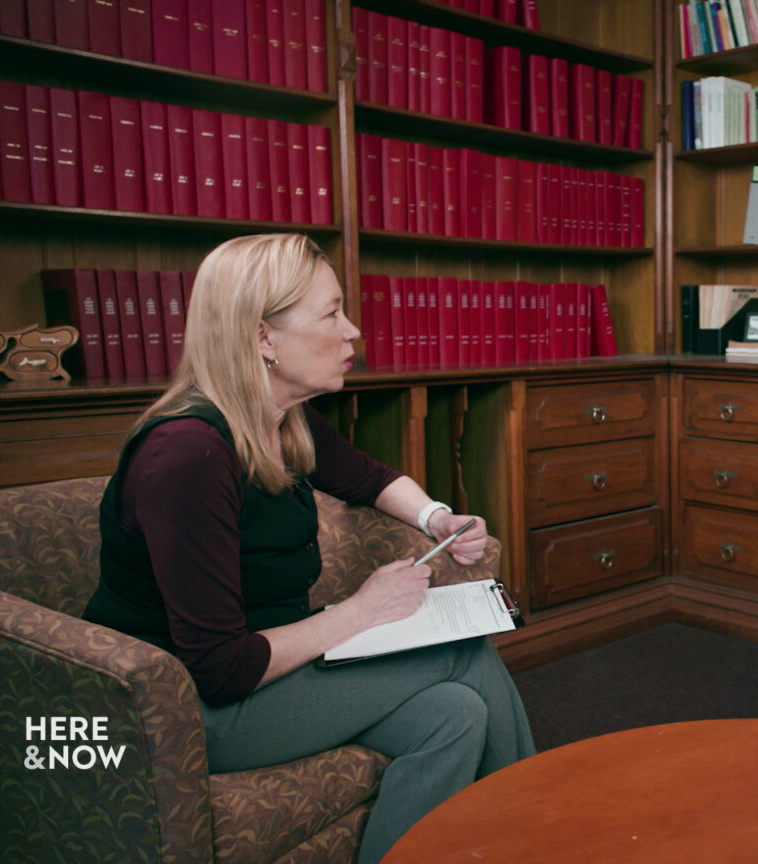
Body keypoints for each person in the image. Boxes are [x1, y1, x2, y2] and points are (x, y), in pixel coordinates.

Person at [83, 234, 534, 863]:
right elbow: (219, 668)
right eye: (330, 314)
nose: (353, 332)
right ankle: (545, 832)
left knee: (452, 714)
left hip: (272, 665)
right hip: (181, 709)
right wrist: (361, 612)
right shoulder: (187, 455)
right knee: (463, 657)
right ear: (263, 337)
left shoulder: (279, 419)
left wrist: (436, 519)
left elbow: (368, 477)